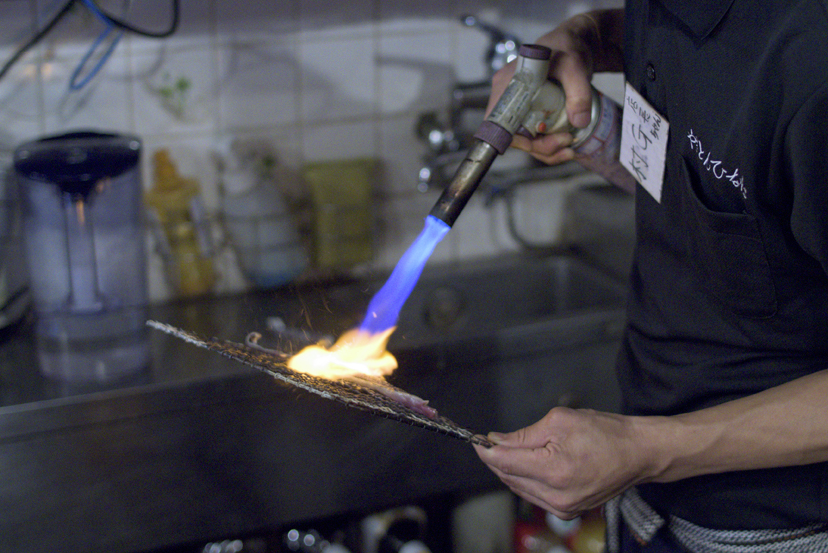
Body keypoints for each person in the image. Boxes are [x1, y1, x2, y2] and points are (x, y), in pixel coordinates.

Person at [473, 3, 828, 552]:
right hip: (649, 503)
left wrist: (646, 448)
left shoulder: (812, 61)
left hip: (777, 529)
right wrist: (587, 38)